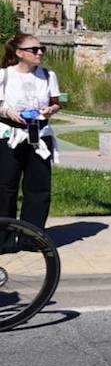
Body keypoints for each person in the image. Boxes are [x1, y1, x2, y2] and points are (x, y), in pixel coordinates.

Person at [0, 33, 60, 231]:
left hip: (39, 135)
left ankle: (32, 237)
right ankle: (3, 239)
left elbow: (56, 103)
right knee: (5, 188)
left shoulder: (48, 75)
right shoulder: (4, 75)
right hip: (10, 135)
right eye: (34, 49)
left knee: (39, 189)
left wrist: (50, 110)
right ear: (19, 53)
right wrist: (7, 111)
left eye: (42, 49)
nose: (40, 53)